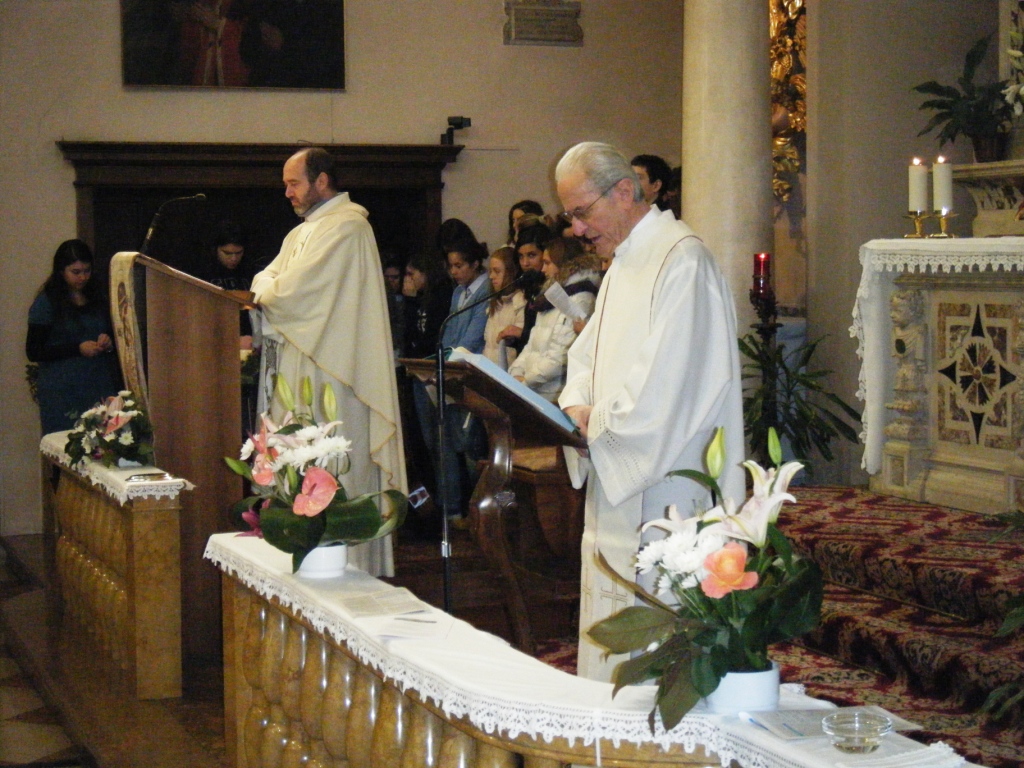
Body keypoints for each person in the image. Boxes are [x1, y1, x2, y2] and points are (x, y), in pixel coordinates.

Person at [555, 142, 745, 681]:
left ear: (623, 192)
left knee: (663, 614)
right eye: (571, 216)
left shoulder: (682, 260)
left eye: (581, 212)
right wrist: (578, 404)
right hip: (619, 465)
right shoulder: (624, 263)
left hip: (669, 476)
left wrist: (602, 423)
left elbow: (672, 378)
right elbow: (587, 354)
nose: (576, 229)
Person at [250, 146, 406, 577]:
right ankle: (305, 559)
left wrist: (270, 287)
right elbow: (264, 279)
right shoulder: (302, 233)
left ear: (321, 181)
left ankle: (348, 566)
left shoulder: (347, 227)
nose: (287, 193)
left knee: (335, 461)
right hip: (303, 363)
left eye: (294, 183)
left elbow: (286, 293)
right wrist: (269, 286)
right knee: (301, 462)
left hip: (338, 372)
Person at [26, 239, 120, 434]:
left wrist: (108, 341)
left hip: (97, 381)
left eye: (87, 271)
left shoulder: (97, 297)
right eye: (76, 272)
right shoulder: (47, 302)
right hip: (62, 388)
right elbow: (34, 351)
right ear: (62, 271)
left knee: (103, 439)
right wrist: (77, 348)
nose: (83, 277)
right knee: (68, 441)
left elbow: (110, 331)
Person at [508, 237, 599, 401]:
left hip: (553, 394)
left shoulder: (580, 298)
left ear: (562, 263)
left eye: (547, 263)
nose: (543, 269)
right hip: (532, 389)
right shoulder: (551, 295)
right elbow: (531, 344)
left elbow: (560, 355)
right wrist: (515, 372)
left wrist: (526, 381)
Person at [200, 219, 255, 344]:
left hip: (248, 338)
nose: (234, 258)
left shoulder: (250, 271)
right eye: (227, 253)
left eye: (238, 253)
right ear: (216, 249)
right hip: (213, 338)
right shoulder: (202, 272)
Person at [482, 246, 525, 369]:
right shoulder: (495, 302)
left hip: (508, 373)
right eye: (490, 271)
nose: (491, 276)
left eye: (497, 271)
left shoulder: (520, 303)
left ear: (511, 273)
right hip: (488, 372)